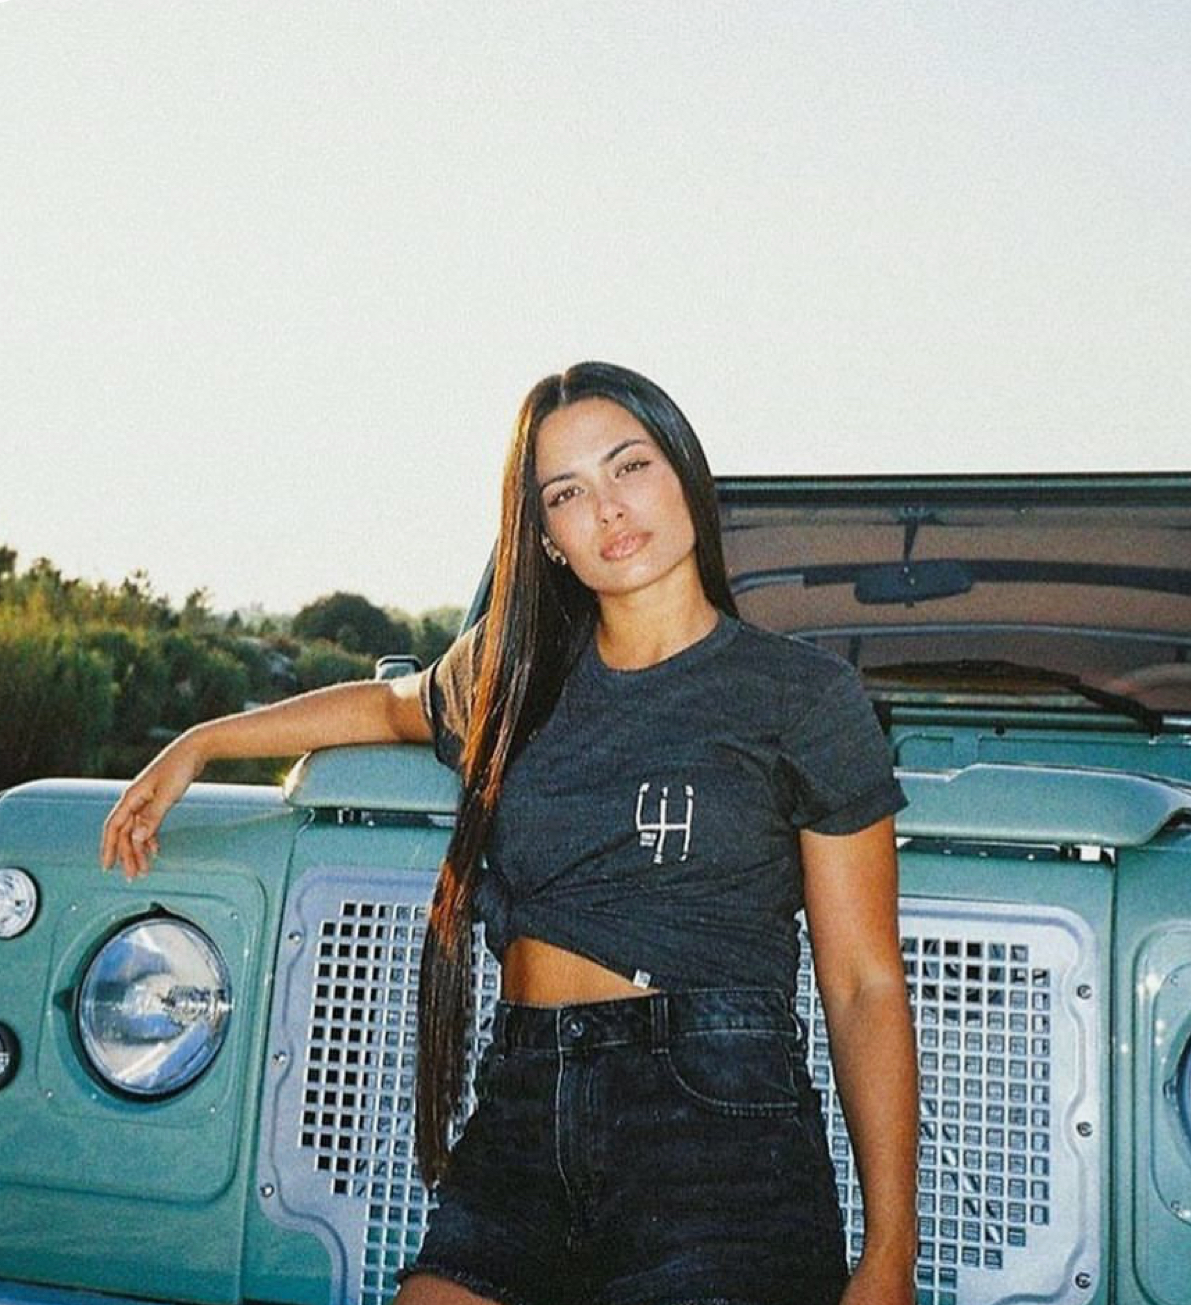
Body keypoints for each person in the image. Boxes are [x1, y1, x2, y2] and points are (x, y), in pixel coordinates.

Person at [101, 362, 918, 1305]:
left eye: (630, 466)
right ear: (546, 538)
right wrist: (201, 743)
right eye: (566, 493)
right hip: (523, 1101)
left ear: (686, 474)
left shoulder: (800, 695)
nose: (607, 508)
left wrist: (888, 1252)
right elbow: (388, 704)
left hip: (714, 1123)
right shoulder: (512, 672)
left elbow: (861, 982)